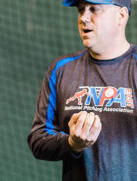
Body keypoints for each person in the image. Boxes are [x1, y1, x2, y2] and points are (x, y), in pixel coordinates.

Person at [28, 0, 137, 180]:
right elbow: (38, 140)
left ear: (121, 16)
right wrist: (72, 143)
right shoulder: (61, 69)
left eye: (94, 9)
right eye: (81, 10)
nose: (83, 18)